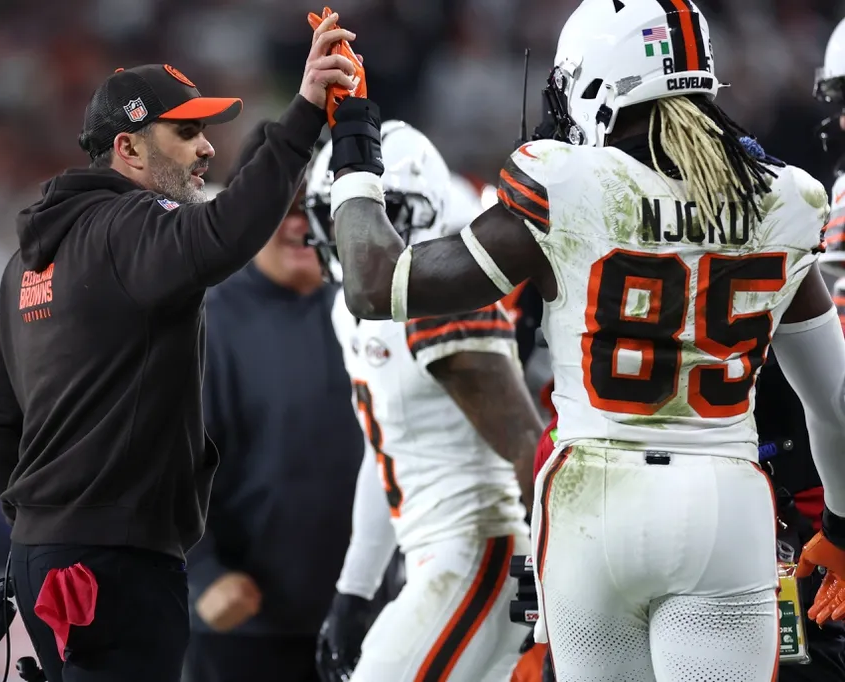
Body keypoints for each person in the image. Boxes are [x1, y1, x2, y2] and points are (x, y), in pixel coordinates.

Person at [325, 0, 845, 679]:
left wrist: (355, 141)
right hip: (724, 500)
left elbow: (373, 283)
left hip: (591, 502)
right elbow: (833, 400)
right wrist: (838, 527)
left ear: (596, 82)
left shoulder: (564, 182)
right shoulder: (786, 199)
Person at [0, 14, 361, 682]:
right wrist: (301, 120)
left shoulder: (26, 264)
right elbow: (224, 234)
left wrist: (42, 523)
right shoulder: (131, 227)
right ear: (129, 149)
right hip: (114, 561)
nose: (206, 149)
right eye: (186, 132)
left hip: (44, 556)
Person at [309, 121, 541, 682]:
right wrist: (355, 589)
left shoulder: (441, 299)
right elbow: (384, 443)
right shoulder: (349, 310)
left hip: (477, 546)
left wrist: (550, 568)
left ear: (427, 210)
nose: (366, 235)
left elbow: (527, 444)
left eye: (389, 213)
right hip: (438, 552)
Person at [182, 123, 365, 682]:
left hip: (364, 621)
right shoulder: (203, 319)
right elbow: (164, 464)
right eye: (285, 207)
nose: (301, 224)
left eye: (318, 206)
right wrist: (203, 575)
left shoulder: (373, 314)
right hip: (243, 630)